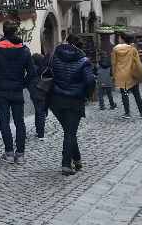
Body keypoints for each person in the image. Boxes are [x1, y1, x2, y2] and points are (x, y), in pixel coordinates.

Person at [0, 21, 35, 164]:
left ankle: (8, 153)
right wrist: (22, 84)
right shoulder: (24, 49)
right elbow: (32, 72)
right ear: (16, 32)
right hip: (17, 90)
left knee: (4, 122)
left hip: (1, 91)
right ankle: (20, 155)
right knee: (20, 122)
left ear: (4, 32)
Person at [49, 34, 96, 176]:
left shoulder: (54, 56)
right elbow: (89, 81)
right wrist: (87, 95)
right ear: (80, 47)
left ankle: (77, 159)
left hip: (56, 100)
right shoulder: (84, 61)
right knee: (70, 132)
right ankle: (65, 164)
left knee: (69, 131)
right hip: (74, 101)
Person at [112, 34, 142, 119]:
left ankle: (127, 113)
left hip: (121, 75)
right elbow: (137, 62)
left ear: (123, 40)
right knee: (136, 94)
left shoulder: (115, 49)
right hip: (132, 74)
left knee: (125, 94)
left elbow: (114, 63)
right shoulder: (133, 49)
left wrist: (114, 75)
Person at [28, 52, 48, 140]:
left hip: (33, 93)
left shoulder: (31, 69)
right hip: (41, 92)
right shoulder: (42, 69)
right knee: (41, 112)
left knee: (38, 111)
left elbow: (26, 81)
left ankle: (38, 130)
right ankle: (41, 134)